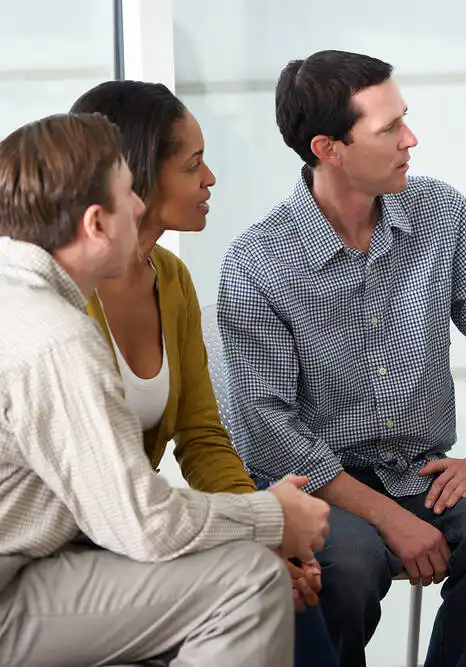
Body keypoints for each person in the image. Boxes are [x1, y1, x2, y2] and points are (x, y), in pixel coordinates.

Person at [217, 49, 466, 667]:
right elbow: (265, 424)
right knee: (351, 563)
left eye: (405, 120)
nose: (410, 139)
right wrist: (389, 519)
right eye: (389, 128)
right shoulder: (258, 262)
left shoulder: (441, 214)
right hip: (316, 484)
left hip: (416, 467)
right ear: (328, 148)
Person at [0, 113, 329, 667]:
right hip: (20, 585)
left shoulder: (31, 299)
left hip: (49, 560)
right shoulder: (55, 337)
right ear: (95, 224)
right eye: (128, 192)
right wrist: (270, 518)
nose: (138, 205)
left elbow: (198, 438)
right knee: (245, 584)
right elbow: (143, 524)